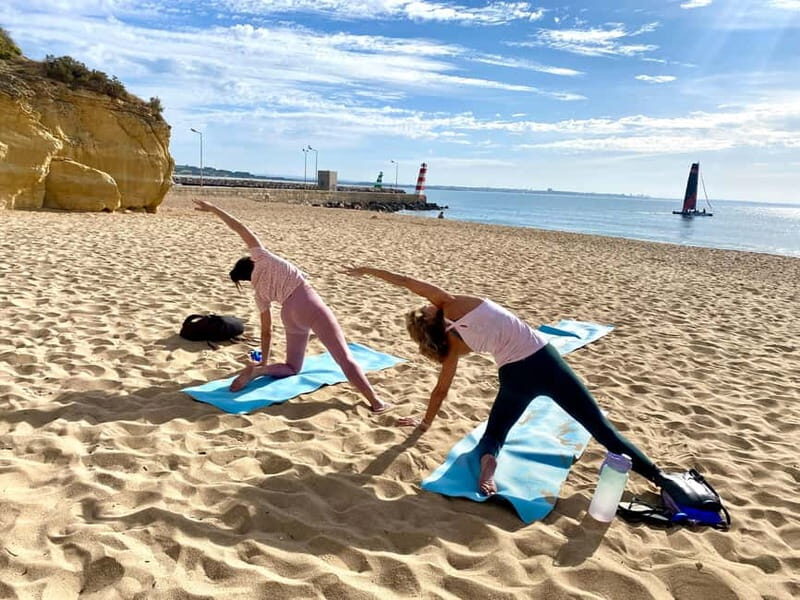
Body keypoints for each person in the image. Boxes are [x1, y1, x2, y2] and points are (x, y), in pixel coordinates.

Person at [343, 266, 664, 495]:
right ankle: (660, 479)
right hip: (545, 361)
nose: (427, 304)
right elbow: (406, 281)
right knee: (600, 429)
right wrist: (369, 271)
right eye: (424, 309)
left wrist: (425, 424)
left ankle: (487, 464)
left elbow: (441, 391)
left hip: (513, 376)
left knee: (495, 433)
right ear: (431, 317)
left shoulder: (451, 348)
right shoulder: (451, 303)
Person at [193, 199, 391, 414]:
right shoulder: (262, 257)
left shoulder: (259, 293)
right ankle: (377, 402)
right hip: (308, 302)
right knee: (343, 357)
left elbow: (266, 332)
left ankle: (260, 372)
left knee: (293, 367)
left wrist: (263, 364)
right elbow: (239, 226)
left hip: (289, 314)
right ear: (250, 262)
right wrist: (214, 209)